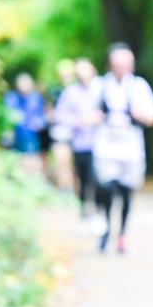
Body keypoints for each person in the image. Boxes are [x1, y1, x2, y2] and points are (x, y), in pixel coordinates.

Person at [91, 43, 153, 254]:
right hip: (106, 147)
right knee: (105, 188)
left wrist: (140, 115)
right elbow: (84, 115)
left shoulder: (139, 86)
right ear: (110, 64)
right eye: (118, 64)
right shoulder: (100, 85)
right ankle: (104, 228)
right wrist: (97, 118)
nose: (123, 68)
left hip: (131, 147)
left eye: (127, 64)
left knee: (126, 192)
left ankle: (121, 234)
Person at [53, 58, 102, 219]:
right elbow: (60, 115)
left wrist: (99, 118)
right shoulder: (70, 92)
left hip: (102, 144)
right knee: (82, 178)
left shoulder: (103, 88)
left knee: (100, 178)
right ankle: (84, 212)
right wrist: (78, 121)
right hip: (80, 144)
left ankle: (99, 211)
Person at [4, 72, 47, 175]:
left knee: (32, 160)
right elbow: (6, 116)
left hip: (32, 136)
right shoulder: (11, 98)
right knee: (17, 162)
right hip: (15, 136)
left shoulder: (36, 98)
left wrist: (39, 123)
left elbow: (41, 115)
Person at [47, 59, 78, 192]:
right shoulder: (55, 90)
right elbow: (49, 111)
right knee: (62, 160)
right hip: (61, 129)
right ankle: (65, 188)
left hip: (79, 130)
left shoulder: (80, 89)